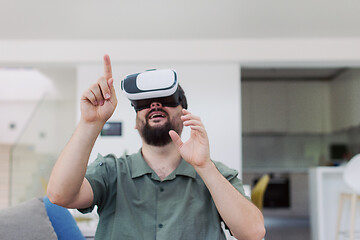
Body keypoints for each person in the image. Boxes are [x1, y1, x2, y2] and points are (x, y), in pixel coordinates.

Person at [47, 54, 266, 240]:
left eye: (166, 98)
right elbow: (60, 196)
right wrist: (90, 123)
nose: (154, 104)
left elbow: (254, 233)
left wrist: (205, 167)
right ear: (135, 122)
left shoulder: (215, 174)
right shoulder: (111, 171)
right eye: (143, 102)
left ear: (184, 114)